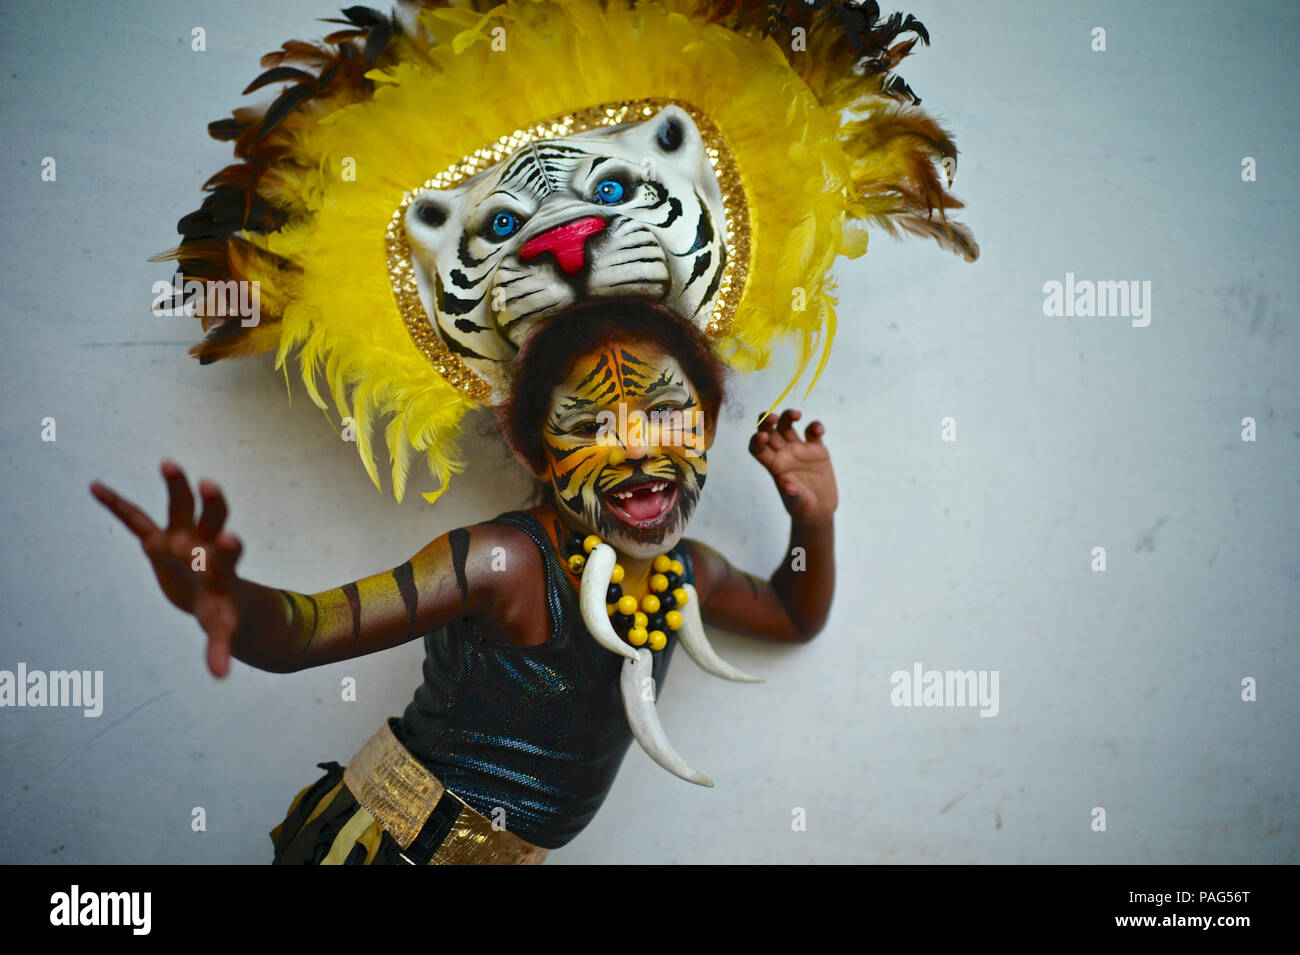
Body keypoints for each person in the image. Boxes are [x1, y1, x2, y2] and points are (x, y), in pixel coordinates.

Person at [89, 300, 837, 863]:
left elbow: (791, 615)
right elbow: (306, 629)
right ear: (534, 448)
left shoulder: (688, 573)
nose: (638, 451)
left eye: (667, 413)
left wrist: (815, 519)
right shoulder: (502, 563)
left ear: (705, 423)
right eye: (589, 426)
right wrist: (225, 596)